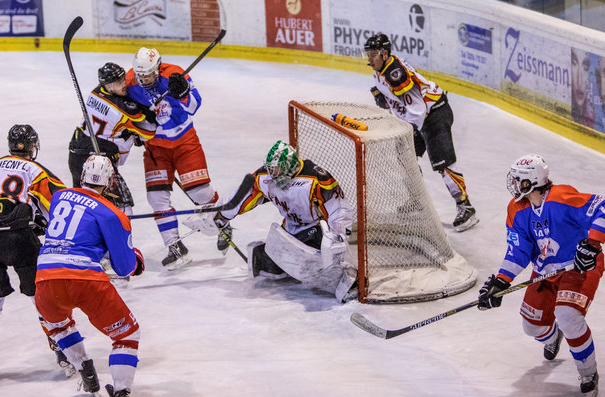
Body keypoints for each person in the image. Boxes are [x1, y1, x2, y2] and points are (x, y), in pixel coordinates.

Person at [34, 155, 155, 397]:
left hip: (44, 278)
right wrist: (135, 258)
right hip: (84, 280)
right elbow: (124, 268)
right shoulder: (113, 214)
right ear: (110, 181)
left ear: (81, 176)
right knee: (127, 334)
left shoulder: (60, 197)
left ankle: (84, 369)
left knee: (59, 324)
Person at [478, 154, 604, 397]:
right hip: (546, 270)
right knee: (532, 326)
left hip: (578, 266)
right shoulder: (516, 208)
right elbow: (519, 249)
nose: (512, 184)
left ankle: (588, 373)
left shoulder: (561, 197)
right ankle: (553, 336)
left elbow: (602, 207)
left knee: (568, 316)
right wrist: (501, 281)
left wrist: (592, 244)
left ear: (530, 183)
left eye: (517, 179)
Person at [0, 124, 70, 384]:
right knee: (41, 296)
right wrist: (44, 223)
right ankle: (63, 349)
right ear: (33, 146)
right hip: (20, 239)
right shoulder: (36, 170)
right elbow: (60, 203)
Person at [211, 140, 357, 302]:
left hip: (316, 230)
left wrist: (338, 235)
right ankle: (289, 263)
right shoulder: (264, 177)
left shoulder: (316, 177)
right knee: (265, 266)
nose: (273, 174)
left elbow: (338, 208)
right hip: (289, 232)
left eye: (277, 169)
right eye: (271, 169)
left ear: (291, 165)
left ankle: (347, 277)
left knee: (324, 266)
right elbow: (243, 197)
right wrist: (222, 215)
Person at [125, 47, 231, 270]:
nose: (144, 79)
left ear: (158, 67)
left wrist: (183, 93)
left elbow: (195, 106)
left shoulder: (174, 74)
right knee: (157, 199)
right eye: (140, 75)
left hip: (185, 142)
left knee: (200, 193)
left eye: (148, 74)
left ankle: (223, 223)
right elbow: (124, 110)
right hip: (155, 149)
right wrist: (134, 130)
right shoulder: (130, 83)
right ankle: (174, 246)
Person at [363, 33, 478, 232]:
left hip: (435, 113)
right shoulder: (382, 69)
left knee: (443, 162)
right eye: (368, 54)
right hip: (421, 116)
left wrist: (410, 129)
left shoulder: (395, 73)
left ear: (384, 53)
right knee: (405, 157)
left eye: (373, 54)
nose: (369, 58)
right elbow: (400, 102)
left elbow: (417, 108)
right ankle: (416, 201)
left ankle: (466, 207)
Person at [68, 62, 156, 216]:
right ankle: (119, 239)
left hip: (76, 155)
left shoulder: (95, 92)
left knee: (83, 207)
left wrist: (126, 133)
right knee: (121, 209)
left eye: (123, 79)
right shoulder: (122, 109)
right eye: (118, 82)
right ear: (108, 86)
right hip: (97, 163)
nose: (124, 84)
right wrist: (146, 116)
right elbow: (149, 133)